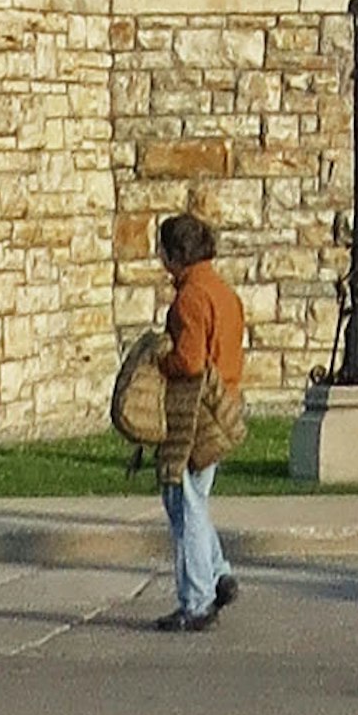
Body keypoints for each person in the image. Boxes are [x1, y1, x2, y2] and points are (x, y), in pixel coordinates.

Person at [155, 210, 245, 633]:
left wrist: (161, 360)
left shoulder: (190, 297)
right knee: (195, 499)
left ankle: (196, 600)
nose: (161, 263)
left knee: (184, 502)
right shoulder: (223, 291)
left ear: (177, 255)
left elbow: (189, 360)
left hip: (196, 410)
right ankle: (217, 572)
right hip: (224, 400)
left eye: (164, 253)